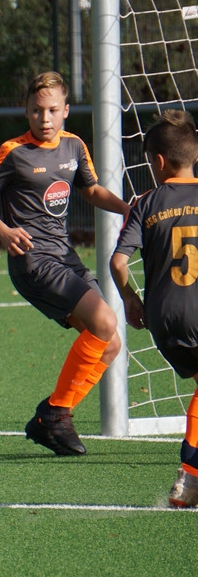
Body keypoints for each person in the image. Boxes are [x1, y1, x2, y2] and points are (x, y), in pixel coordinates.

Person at [0, 71, 130, 456]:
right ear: (26, 112)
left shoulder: (74, 146)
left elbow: (91, 190)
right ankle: (55, 416)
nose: (45, 118)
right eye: (37, 111)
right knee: (104, 322)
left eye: (53, 110)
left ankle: (53, 416)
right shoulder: (13, 151)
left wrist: (128, 209)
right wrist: (3, 231)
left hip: (64, 256)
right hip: (33, 260)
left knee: (110, 344)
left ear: (66, 111)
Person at [110, 109, 198, 507]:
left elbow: (118, 262)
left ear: (158, 162)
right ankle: (190, 475)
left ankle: (191, 479)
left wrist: (130, 299)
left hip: (162, 320)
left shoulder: (145, 202)